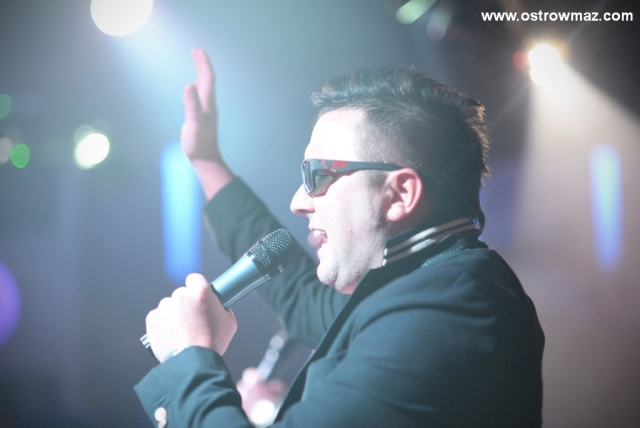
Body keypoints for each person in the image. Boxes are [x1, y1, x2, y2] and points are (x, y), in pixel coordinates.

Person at [135, 48, 545, 427]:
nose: (298, 202)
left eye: (318, 176)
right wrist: (207, 162)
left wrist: (188, 358)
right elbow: (301, 295)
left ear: (400, 194)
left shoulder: (448, 310)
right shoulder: (429, 285)